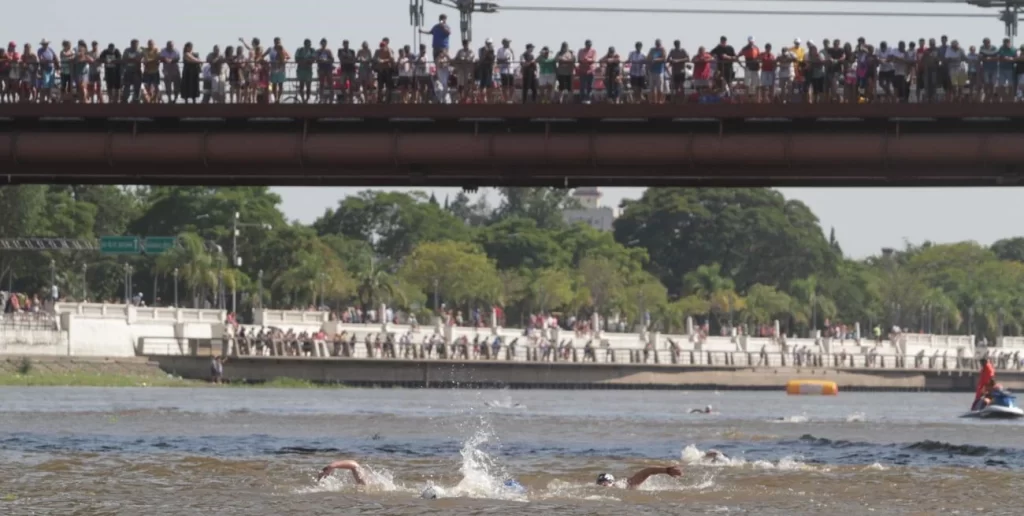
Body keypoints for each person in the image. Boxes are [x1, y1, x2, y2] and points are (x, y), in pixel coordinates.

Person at [596, 465, 682, 489]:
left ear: (612, 482)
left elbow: (647, 472)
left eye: (605, 482)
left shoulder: (624, 485)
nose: (602, 485)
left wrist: (666, 470)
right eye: (600, 483)